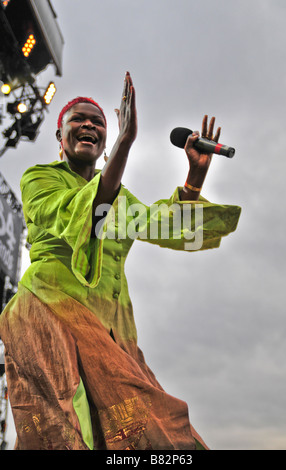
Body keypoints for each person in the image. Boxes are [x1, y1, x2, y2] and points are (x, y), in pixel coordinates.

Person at [0, 72, 241, 450]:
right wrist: (127, 143)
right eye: (77, 119)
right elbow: (86, 213)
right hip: (49, 312)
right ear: (60, 139)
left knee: (159, 434)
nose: (89, 125)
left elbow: (165, 227)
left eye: (98, 121)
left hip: (112, 333)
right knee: (66, 429)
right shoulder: (40, 178)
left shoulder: (122, 199)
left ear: (102, 141)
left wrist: (193, 181)